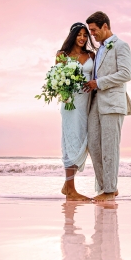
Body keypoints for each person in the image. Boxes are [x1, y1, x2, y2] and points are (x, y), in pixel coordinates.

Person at [84, 11, 131, 202]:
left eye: (94, 30)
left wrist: (99, 82)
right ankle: (107, 186)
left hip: (113, 103)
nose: (92, 34)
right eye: (90, 30)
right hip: (96, 102)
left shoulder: (121, 46)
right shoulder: (99, 51)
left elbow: (126, 73)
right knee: (93, 144)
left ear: (105, 26)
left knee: (110, 147)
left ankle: (109, 191)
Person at [57, 23, 95, 201]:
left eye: (85, 35)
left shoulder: (91, 55)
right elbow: (56, 80)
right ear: (72, 35)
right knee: (71, 140)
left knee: (82, 140)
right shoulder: (62, 55)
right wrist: (63, 93)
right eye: (79, 34)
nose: (82, 38)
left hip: (86, 104)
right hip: (70, 103)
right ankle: (71, 188)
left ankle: (68, 185)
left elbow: (95, 78)